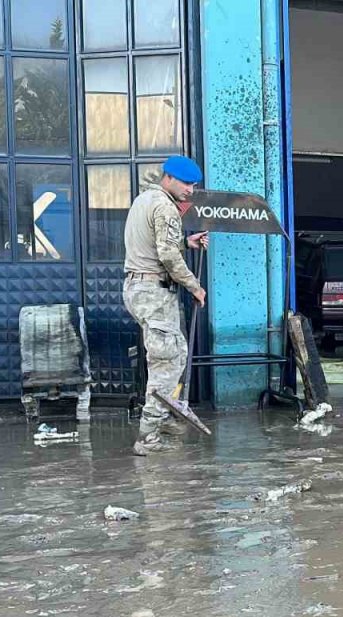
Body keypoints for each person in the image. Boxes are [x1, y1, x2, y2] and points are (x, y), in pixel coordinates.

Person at [123, 155, 210, 456]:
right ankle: (148, 435)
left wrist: (188, 243)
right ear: (169, 178)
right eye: (186, 183)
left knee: (176, 353)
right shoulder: (165, 207)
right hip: (153, 292)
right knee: (166, 362)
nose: (190, 189)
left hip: (140, 288)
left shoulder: (144, 200)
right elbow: (168, 258)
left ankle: (170, 417)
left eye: (194, 185)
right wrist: (194, 286)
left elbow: (158, 245)